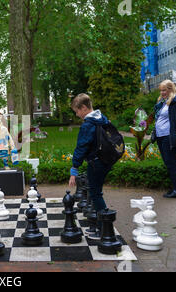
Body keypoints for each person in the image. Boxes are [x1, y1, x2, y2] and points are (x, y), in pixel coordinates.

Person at [68, 93, 112, 240]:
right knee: (96, 192)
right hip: (105, 160)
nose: (77, 114)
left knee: (96, 194)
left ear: (84, 108)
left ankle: (103, 229)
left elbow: (81, 147)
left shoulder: (88, 124)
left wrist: (74, 169)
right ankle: (102, 226)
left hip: (96, 162)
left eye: (77, 111)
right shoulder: (102, 119)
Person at [153, 80, 176, 198]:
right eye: (161, 90)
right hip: (161, 137)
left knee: (173, 163)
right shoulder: (163, 102)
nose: (162, 92)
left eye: (164, 90)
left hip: (170, 137)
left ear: (170, 89)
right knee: (169, 163)